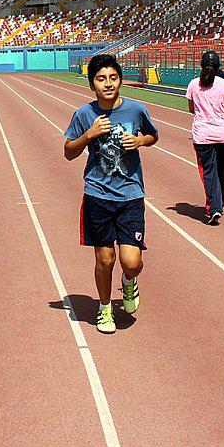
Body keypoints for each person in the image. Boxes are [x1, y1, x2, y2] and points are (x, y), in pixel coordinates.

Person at [64, 54, 159, 334]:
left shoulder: (136, 110)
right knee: (104, 259)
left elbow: (153, 136)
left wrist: (140, 140)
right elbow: (68, 152)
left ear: (120, 80)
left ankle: (129, 281)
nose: (108, 83)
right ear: (92, 84)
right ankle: (105, 308)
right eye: (101, 79)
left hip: (130, 196)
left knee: (131, 262)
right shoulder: (84, 115)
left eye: (113, 77)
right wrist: (89, 135)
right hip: (97, 196)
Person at [186, 50, 224, 225]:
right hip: (223, 134)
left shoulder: (194, 84)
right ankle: (221, 199)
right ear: (218, 66)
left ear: (201, 65)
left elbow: (191, 109)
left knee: (208, 172)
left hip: (203, 135)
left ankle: (215, 208)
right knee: (221, 167)